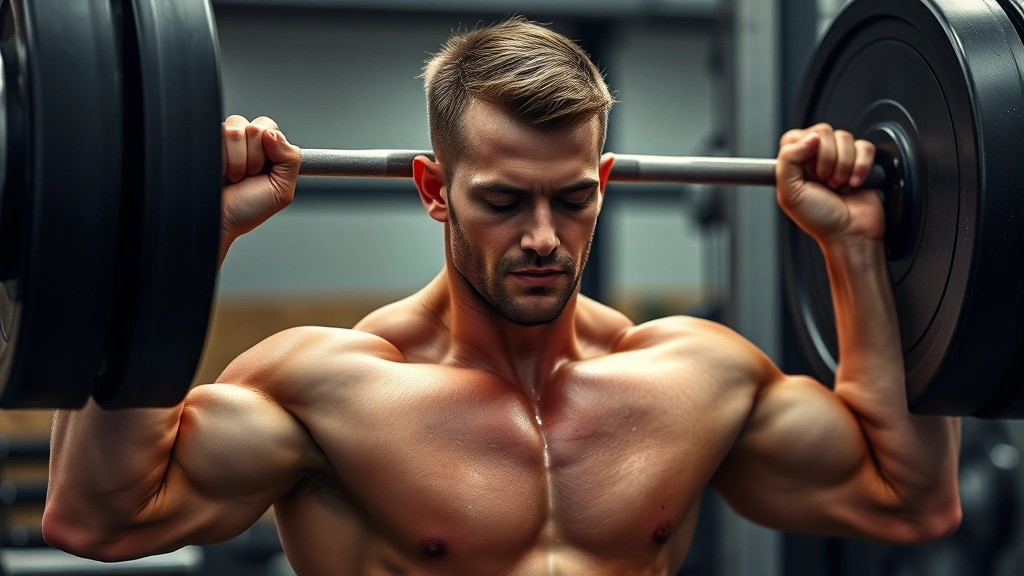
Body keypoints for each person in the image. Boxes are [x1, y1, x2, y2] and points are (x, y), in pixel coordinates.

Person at [43, 17, 961, 576]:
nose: (542, 237)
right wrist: (174, 238)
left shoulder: (693, 377)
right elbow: (100, 513)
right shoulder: (332, 389)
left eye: (573, 200)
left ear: (604, 180)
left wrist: (856, 249)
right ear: (433, 188)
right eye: (501, 200)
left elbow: (907, 496)